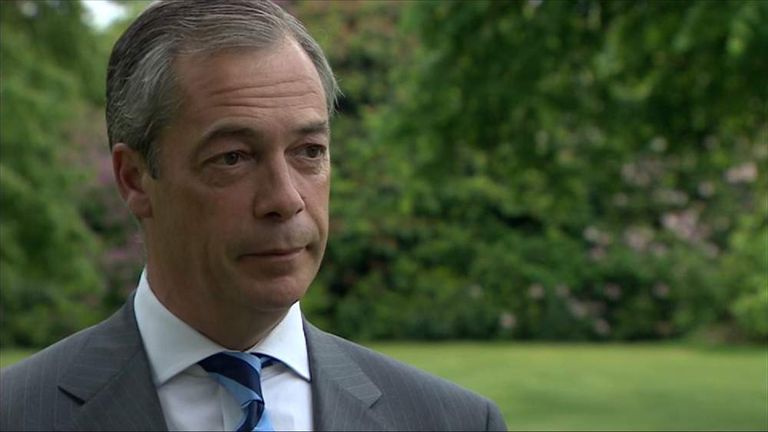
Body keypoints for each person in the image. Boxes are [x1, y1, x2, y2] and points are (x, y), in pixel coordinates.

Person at [0, 1, 507, 430]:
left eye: (309, 151)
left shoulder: (455, 421)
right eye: (233, 158)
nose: (285, 199)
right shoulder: (20, 414)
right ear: (134, 179)